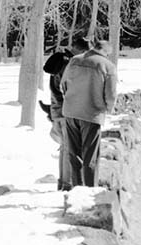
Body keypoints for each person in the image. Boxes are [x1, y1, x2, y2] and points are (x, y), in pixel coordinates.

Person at [60, 35, 117, 188]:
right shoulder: (108, 66)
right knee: (90, 156)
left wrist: (69, 99)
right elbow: (110, 94)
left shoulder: (75, 60)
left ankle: (77, 190)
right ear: (105, 51)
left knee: (74, 154)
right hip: (91, 113)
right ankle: (90, 192)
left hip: (71, 111)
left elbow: (63, 83)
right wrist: (108, 108)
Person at [42, 45, 74, 190]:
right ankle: (67, 183)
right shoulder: (67, 66)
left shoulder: (57, 67)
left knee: (64, 148)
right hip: (65, 112)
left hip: (57, 111)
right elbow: (66, 91)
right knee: (69, 149)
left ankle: (63, 181)